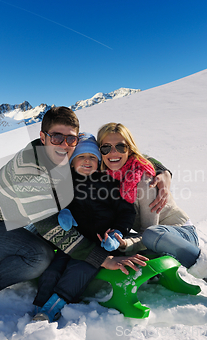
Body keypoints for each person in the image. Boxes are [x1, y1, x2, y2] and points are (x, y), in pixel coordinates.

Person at [0, 108, 148, 313]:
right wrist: (104, 259)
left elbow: (112, 150)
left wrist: (158, 171)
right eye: (57, 137)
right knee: (39, 258)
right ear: (43, 137)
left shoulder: (60, 156)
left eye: (71, 139)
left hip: (17, 221)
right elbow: (50, 227)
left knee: (49, 249)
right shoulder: (30, 169)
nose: (64, 144)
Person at [96, 122, 207, 308]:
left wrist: (126, 243)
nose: (113, 152)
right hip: (148, 237)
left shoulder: (144, 178)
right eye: (106, 147)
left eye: (120, 146)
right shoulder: (105, 177)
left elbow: (148, 231)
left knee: (151, 235)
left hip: (177, 234)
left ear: (129, 148)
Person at [31, 133, 146, 322]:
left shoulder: (111, 183)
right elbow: (57, 203)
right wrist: (64, 212)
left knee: (80, 269)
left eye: (92, 157)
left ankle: (53, 308)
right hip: (72, 241)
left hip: (102, 243)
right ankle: (39, 304)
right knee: (53, 269)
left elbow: (126, 213)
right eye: (81, 157)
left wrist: (118, 232)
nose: (87, 161)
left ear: (100, 161)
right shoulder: (65, 183)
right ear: (72, 161)